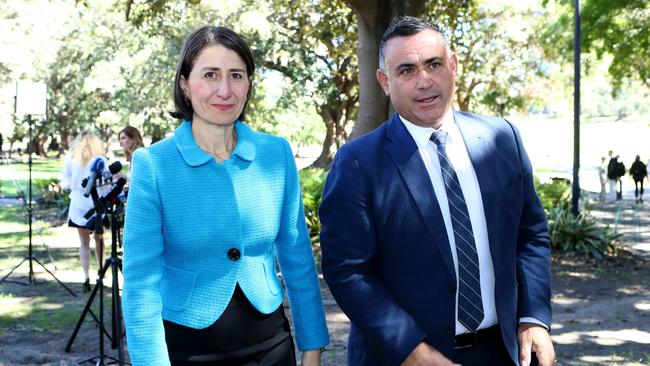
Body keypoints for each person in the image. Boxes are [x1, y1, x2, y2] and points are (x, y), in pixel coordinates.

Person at [319, 17, 556, 366]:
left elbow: (530, 234)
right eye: (407, 71)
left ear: (454, 65)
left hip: (504, 351)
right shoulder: (357, 163)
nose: (424, 81)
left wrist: (533, 317)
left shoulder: (502, 138)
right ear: (385, 81)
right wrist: (412, 351)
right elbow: (348, 270)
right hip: (405, 356)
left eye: (433, 64)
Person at [122, 25, 329, 366]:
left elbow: (297, 256)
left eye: (236, 75)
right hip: (187, 350)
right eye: (210, 74)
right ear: (185, 85)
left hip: (272, 346)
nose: (225, 90)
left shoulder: (275, 154)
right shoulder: (153, 164)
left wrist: (312, 345)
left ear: (248, 84)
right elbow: (140, 282)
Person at [60, 131, 106, 293]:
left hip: (79, 202)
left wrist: (74, 185)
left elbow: (64, 181)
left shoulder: (71, 159)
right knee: (99, 239)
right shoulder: (100, 159)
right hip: (96, 202)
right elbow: (106, 183)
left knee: (84, 243)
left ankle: (86, 276)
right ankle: (101, 271)